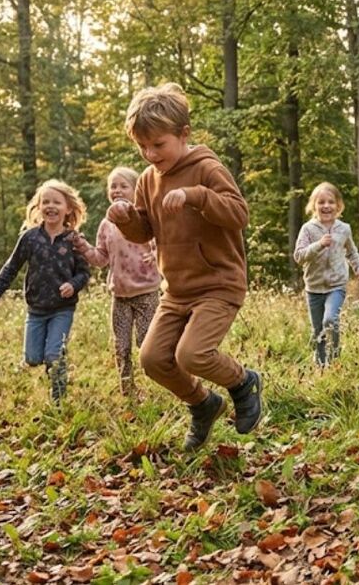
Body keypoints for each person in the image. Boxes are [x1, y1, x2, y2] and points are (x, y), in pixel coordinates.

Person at [107, 82, 263, 451]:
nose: (149, 153)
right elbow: (145, 230)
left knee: (192, 354)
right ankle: (203, 404)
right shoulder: (147, 180)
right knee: (153, 358)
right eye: (142, 146)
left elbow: (239, 214)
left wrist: (197, 196)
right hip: (176, 291)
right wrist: (125, 217)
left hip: (218, 283)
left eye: (158, 145)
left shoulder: (207, 167)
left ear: (184, 134)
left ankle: (243, 382)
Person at [0, 179, 90, 405]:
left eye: (57, 202)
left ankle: (58, 400)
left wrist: (73, 284)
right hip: (36, 310)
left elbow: (84, 273)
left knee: (54, 355)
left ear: (68, 208)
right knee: (32, 358)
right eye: (46, 202)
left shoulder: (74, 240)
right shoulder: (30, 238)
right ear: (39, 206)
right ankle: (50, 366)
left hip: (63, 308)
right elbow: (11, 267)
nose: (51, 206)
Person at [72, 166, 162, 398]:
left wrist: (156, 255)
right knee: (121, 347)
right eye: (113, 186)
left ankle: (165, 381)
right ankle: (127, 391)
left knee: (146, 344)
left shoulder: (145, 218)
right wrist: (83, 247)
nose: (117, 190)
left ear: (136, 191)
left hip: (146, 292)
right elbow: (101, 259)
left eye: (124, 186)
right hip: (120, 296)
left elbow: (164, 242)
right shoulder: (106, 224)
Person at [292, 182, 359, 367]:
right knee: (318, 330)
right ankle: (321, 365)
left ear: (338, 205)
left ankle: (334, 358)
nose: (326, 206)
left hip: (337, 285)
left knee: (330, 320)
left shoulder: (344, 229)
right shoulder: (308, 229)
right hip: (314, 287)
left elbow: (351, 251)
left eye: (331, 202)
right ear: (314, 206)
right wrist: (318, 245)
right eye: (321, 202)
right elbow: (299, 256)